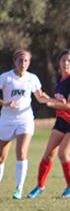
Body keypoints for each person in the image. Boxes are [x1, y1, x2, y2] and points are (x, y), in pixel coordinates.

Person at [27, 49, 70, 200]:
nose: (66, 63)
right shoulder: (60, 80)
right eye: (63, 60)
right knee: (48, 154)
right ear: (59, 63)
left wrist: (50, 103)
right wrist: (46, 98)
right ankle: (39, 187)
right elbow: (59, 102)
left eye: (69, 61)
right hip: (62, 121)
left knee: (63, 154)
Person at [0, 50, 51, 199]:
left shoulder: (32, 78)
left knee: (21, 152)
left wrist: (52, 100)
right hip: (6, 120)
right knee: (1, 157)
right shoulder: (5, 77)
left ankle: (18, 189)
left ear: (29, 62)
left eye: (26, 61)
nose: (23, 64)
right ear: (14, 61)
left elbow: (40, 97)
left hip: (25, 119)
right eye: (20, 61)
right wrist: (6, 103)